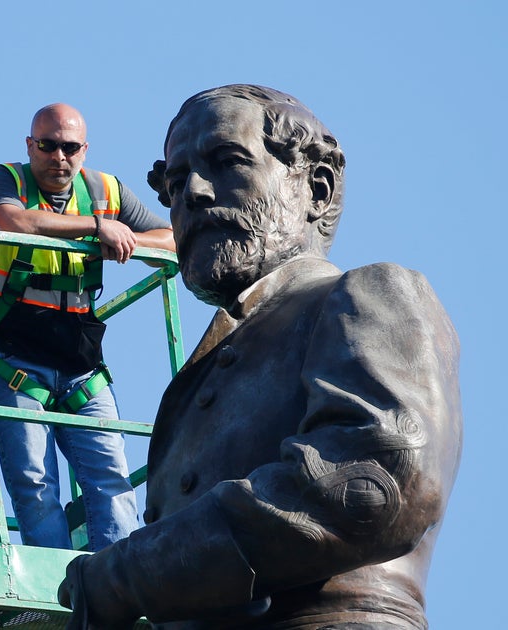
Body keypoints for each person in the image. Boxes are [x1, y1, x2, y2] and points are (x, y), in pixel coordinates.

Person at [58, 84, 462, 628]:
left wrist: (130, 575)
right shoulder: (207, 371)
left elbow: (382, 475)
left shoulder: (366, 295)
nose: (194, 194)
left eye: (228, 162)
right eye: (176, 183)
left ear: (316, 189)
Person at [0, 104, 176, 551]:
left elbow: (174, 239)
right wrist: (100, 226)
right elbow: (13, 220)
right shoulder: (1, 179)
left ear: (84, 150)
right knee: (35, 483)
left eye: (68, 147)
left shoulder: (105, 188)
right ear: (30, 146)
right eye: (46, 145)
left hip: (82, 364)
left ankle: (116, 581)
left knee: (112, 477)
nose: (57, 156)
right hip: (13, 360)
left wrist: (127, 239)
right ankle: (56, 589)